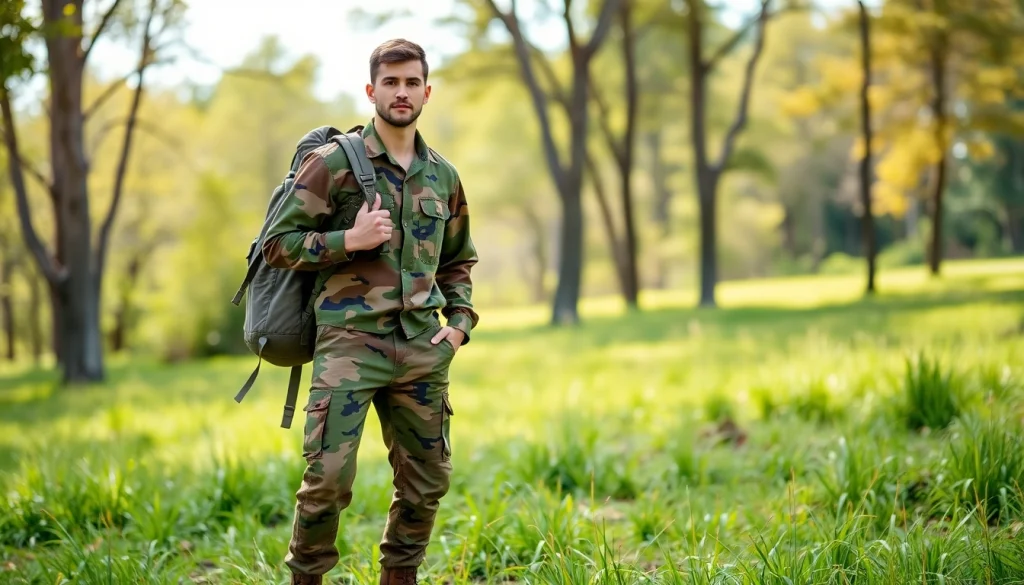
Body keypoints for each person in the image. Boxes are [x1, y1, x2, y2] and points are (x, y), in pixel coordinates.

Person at [261, 38, 478, 585]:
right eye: (390, 82)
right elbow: (277, 243)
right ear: (371, 90)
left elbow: (458, 262)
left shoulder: (443, 177)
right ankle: (306, 577)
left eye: (411, 83)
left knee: (426, 480)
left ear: (427, 92)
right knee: (328, 478)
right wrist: (346, 239)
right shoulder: (333, 163)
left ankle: (399, 577)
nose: (401, 92)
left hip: (422, 348)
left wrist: (458, 326)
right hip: (349, 345)